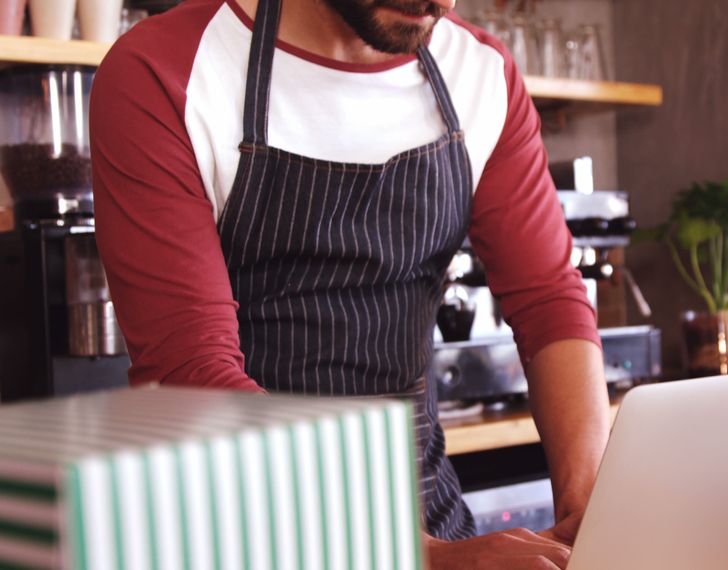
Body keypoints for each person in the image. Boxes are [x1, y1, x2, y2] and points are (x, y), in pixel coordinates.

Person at [90, 0, 611, 567]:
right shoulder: (165, 71)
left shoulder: (480, 72)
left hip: (430, 519)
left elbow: (549, 302)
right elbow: (190, 372)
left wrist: (596, 514)